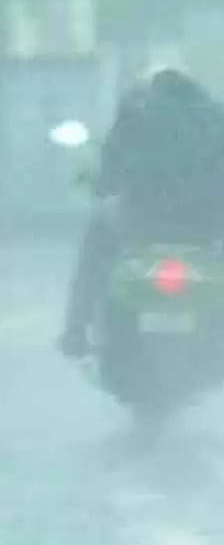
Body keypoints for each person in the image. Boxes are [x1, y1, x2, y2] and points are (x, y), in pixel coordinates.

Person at [59, 68, 224, 356]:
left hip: (141, 224)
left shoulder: (136, 109)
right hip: (205, 226)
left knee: (96, 239)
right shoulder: (215, 117)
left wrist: (97, 182)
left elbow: (109, 172)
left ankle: (75, 329)